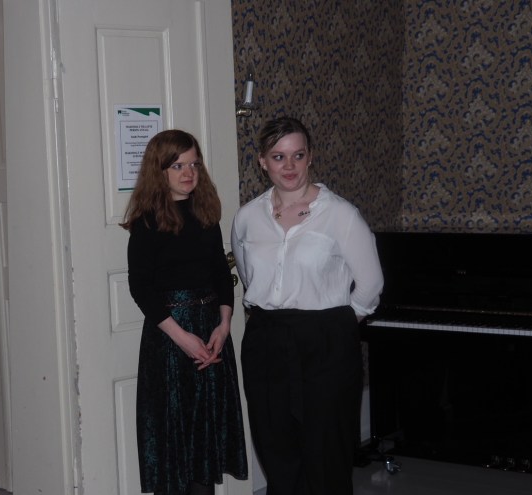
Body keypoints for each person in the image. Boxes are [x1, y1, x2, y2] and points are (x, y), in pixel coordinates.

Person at [231, 117, 383, 495]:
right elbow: (250, 278)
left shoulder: (340, 215)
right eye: (278, 157)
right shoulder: (247, 218)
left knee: (326, 450)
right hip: (266, 338)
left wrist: (337, 324)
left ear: (310, 157)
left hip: (327, 339)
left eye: (298, 155)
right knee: (276, 446)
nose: (289, 166)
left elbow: (371, 285)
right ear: (262, 161)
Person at [122, 129, 248, 495]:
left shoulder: (205, 213)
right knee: (173, 442)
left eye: (194, 164)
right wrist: (182, 338)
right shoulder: (146, 222)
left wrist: (224, 325)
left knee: (204, 443)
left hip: (211, 331)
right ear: (159, 170)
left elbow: (221, 274)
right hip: (171, 338)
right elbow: (140, 288)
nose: (188, 173)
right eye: (177, 166)